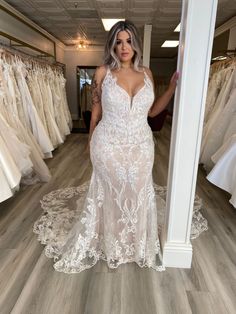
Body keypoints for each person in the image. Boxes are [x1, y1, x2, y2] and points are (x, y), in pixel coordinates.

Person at [33, 20, 179, 273]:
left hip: (141, 144)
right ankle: (111, 241)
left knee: (137, 190)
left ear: (136, 44)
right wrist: (90, 140)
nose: (124, 47)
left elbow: (153, 111)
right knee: (110, 191)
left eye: (129, 41)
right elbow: (96, 111)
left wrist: (172, 88)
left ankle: (135, 242)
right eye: (118, 42)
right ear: (112, 45)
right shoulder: (102, 73)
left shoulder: (147, 73)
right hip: (108, 142)